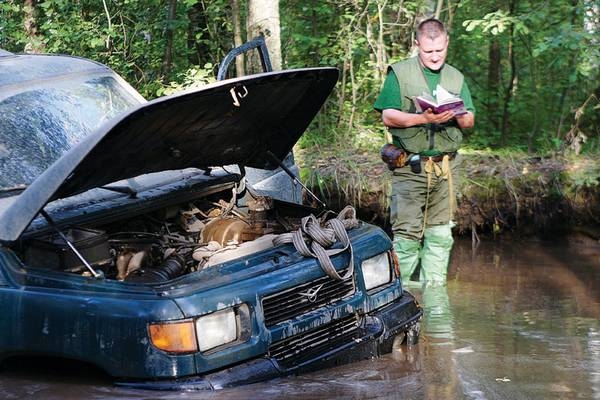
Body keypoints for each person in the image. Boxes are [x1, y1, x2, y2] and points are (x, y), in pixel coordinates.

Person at [373, 18, 475, 284]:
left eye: (439, 50)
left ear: (447, 43)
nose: (434, 56)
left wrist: (460, 115)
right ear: (416, 44)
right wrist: (425, 119)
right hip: (411, 167)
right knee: (406, 237)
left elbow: (470, 121)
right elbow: (388, 116)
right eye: (428, 51)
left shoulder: (455, 77)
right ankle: (398, 296)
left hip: (446, 168)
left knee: (441, 234)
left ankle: (436, 300)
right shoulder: (400, 72)